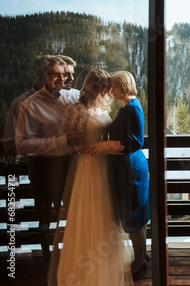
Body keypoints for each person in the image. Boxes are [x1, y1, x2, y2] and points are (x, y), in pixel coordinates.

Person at [48, 69, 133, 285]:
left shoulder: (104, 106)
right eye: (101, 87)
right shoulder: (76, 109)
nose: (105, 91)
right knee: (86, 214)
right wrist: (84, 148)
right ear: (90, 86)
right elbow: (68, 140)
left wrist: (105, 148)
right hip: (86, 166)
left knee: (105, 214)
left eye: (105, 87)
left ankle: (105, 268)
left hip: (104, 165)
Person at [15, 55, 84, 262]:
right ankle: (48, 261)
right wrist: (62, 141)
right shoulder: (31, 105)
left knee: (75, 214)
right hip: (43, 167)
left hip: (72, 165)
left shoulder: (77, 96)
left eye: (68, 75)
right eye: (58, 75)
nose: (65, 79)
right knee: (45, 217)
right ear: (44, 76)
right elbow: (22, 144)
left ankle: (74, 257)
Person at [88, 71, 150, 278]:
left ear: (121, 86)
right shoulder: (129, 106)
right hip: (130, 166)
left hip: (130, 168)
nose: (110, 91)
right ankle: (143, 255)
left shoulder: (131, 107)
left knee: (133, 214)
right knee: (136, 213)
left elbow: (133, 142)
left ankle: (139, 261)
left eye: (112, 87)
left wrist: (103, 146)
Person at [3, 55, 46, 160]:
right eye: (42, 74)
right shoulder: (21, 104)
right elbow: (9, 146)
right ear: (36, 75)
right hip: (28, 166)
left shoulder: (66, 101)